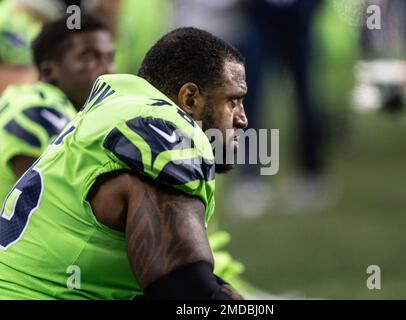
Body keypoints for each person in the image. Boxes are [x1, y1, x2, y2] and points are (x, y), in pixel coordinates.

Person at [0, 27, 248, 300]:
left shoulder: (117, 112)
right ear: (189, 98)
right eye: (233, 101)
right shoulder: (163, 129)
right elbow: (184, 291)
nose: (242, 119)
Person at [0, 15, 115, 203]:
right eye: (89, 58)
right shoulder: (39, 109)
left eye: (110, 58)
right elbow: (47, 203)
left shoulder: (22, 96)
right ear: (48, 71)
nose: (108, 70)